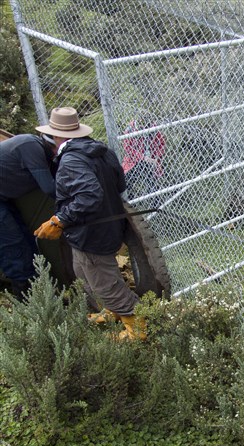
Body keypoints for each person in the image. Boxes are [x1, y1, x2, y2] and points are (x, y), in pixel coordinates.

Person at [34, 107, 146, 341]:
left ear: (56, 136)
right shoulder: (101, 151)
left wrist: (60, 220)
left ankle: (138, 326)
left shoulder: (71, 160)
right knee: (83, 272)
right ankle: (112, 311)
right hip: (105, 228)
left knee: (105, 283)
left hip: (91, 233)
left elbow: (89, 196)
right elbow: (119, 184)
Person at [0, 131, 58, 300]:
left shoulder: (39, 149)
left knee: (27, 241)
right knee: (13, 246)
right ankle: (27, 301)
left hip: (4, 197)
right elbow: (49, 188)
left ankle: (43, 295)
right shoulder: (30, 146)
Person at [121, 117, 165, 206]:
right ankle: (130, 200)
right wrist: (142, 157)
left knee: (151, 181)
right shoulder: (130, 130)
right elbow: (128, 148)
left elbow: (161, 144)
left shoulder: (154, 128)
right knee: (125, 180)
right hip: (133, 161)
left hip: (151, 160)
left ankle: (156, 204)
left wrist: (156, 157)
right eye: (140, 127)